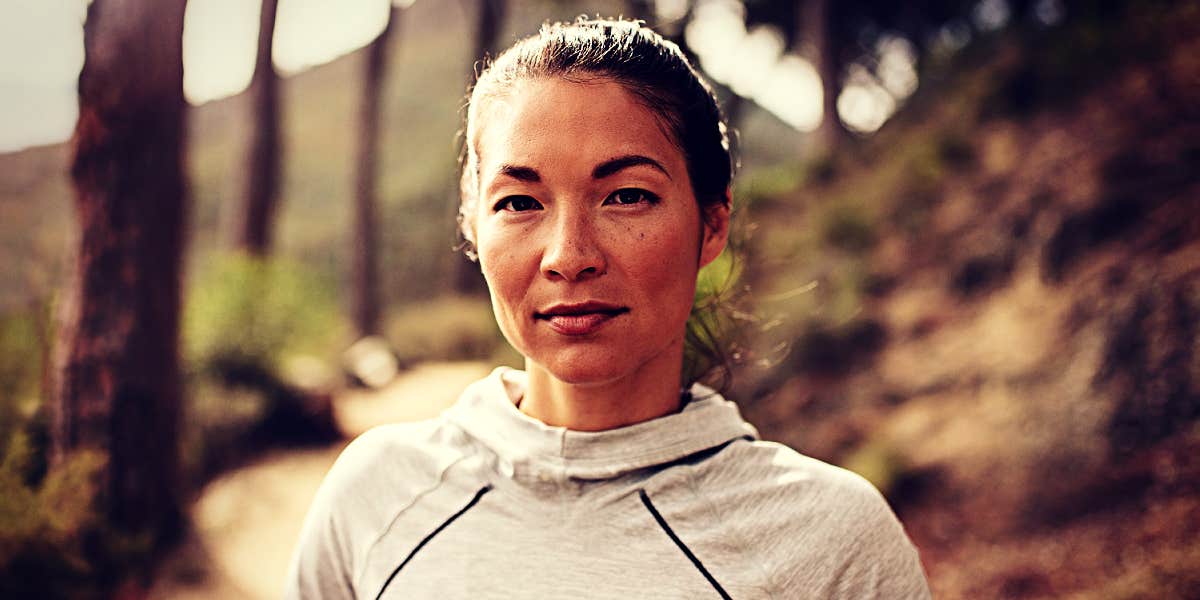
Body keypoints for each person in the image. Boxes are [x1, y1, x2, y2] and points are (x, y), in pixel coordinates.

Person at [284, 17, 930, 599]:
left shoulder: (830, 544)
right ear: (472, 228)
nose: (569, 255)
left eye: (625, 196)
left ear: (711, 224)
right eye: (518, 202)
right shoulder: (377, 493)